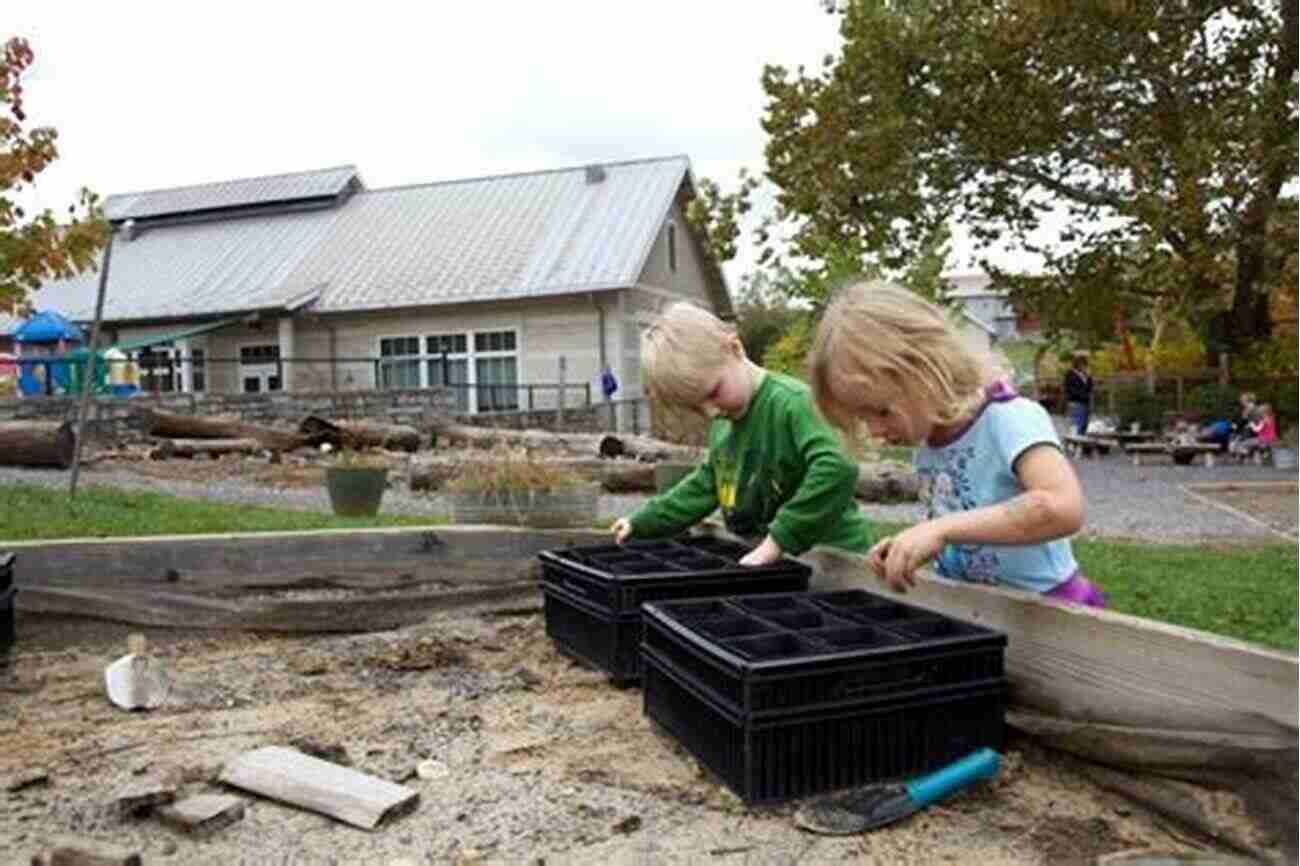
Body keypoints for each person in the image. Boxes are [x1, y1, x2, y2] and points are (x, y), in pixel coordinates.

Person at [808, 280, 1104, 607]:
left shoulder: (1009, 419)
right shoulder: (931, 444)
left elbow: (1062, 507)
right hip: (981, 610)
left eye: (881, 410)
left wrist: (941, 530)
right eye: (862, 418)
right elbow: (966, 524)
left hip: (1051, 614)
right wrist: (913, 546)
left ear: (927, 368)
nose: (876, 430)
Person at [611, 301, 874, 565]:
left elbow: (839, 465)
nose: (711, 412)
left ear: (735, 348)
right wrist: (643, 522)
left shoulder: (793, 404)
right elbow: (707, 484)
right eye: (696, 407)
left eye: (713, 392)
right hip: (778, 562)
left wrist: (778, 541)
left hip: (833, 562)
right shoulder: (723, 423)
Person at [1063, 352, 1093, 436]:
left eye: (1085, 365)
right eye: (1083, 364)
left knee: (1084, 425)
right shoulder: (1070, 374)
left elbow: (1090, 388)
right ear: (1078, 364)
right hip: (1075, 403)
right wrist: (1084, 395)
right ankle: (1074, 443)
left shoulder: (1084, 375)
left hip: (1085, 403)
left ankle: (1081, 443)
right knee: (1076, 425)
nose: (1084, 367)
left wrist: (1088, 377)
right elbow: (1071, 390)